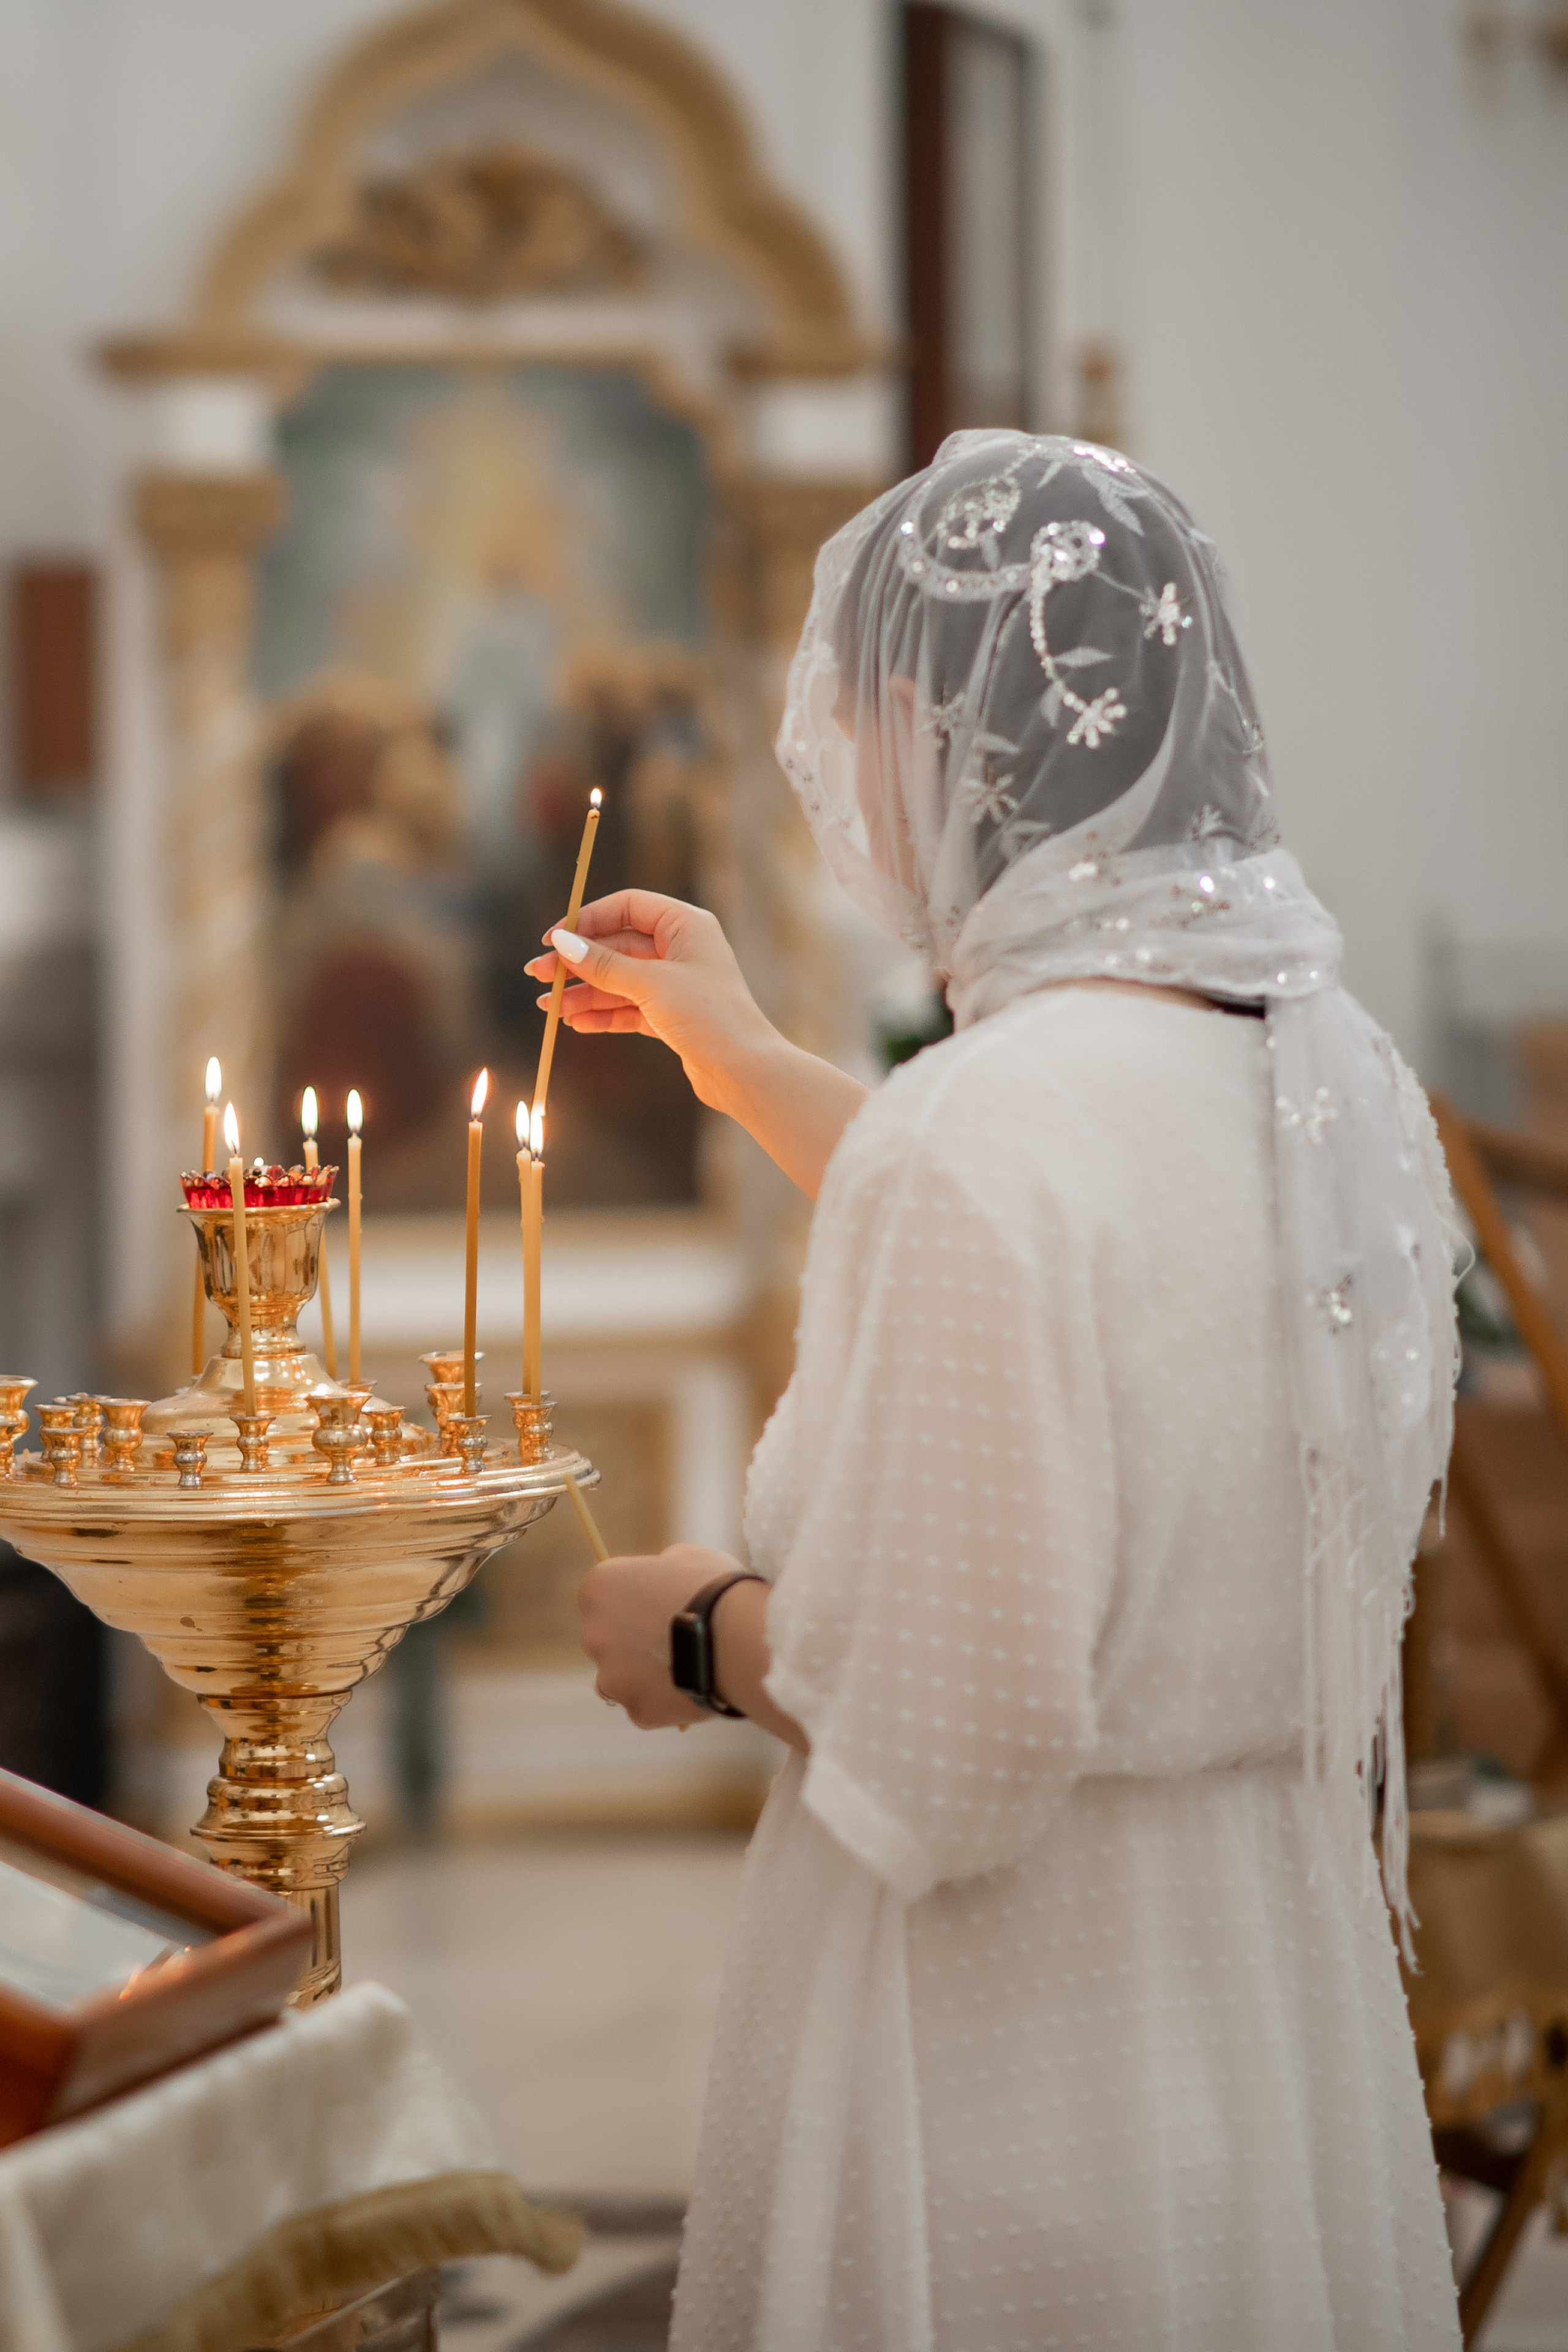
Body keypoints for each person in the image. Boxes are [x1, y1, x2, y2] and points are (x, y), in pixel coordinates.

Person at [526, 434, 1463, 2350]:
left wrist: (698, 1631)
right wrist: (748, 1055)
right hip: (1275, 2021)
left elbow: (957, 1743)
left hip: (1008, 2069)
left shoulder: (993, 1130)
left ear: (921, 723)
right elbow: (1110, 1272)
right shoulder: (1330, 1068)